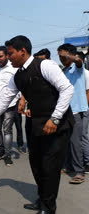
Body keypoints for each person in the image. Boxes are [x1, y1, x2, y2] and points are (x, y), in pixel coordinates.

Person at [0, 35, 74, 214]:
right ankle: (42, 198)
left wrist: (55, 118)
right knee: (36, 163)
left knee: (49, 166)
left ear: (23, 51)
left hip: (57, 124)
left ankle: (48, 207)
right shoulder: (17, 76)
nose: (8, 57)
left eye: (11, 53)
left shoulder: (44, 66)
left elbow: (67, 89)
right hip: (37, 123)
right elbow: (3, 100)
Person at [58, 43, 87, 184]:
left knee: (76, 142)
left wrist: (69, 56)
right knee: (67, 141)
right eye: (60, 57)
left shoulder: (78, 67)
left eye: (63, 56)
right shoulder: (63, 70)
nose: (62, 59)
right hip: (66, 111)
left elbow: (79, 61)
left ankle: (79, 171)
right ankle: (69, 166)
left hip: (77, 110)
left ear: (70, 54)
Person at [77, 52, 89, 173]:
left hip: (83, 109)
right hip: (77, 109)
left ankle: (87, 161)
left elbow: (87, 92)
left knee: (83, 136)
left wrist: (84, 107)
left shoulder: (86, 74)